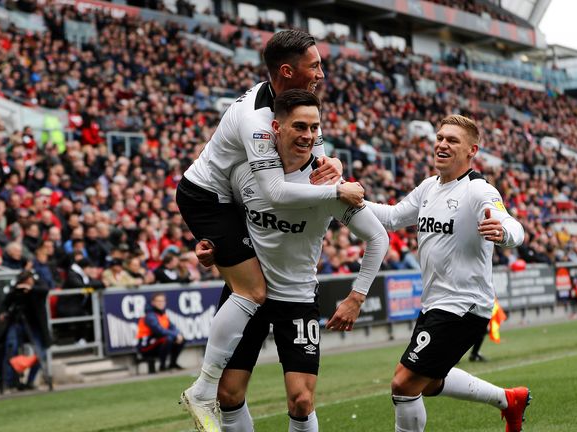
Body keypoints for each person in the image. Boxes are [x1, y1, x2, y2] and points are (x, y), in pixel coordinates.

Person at [176, 29, 365, 430]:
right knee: (252, 291)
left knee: (298, 396)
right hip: (207, 198)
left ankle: (208, 389)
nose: (322, 73)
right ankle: (203, 389)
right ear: (286, 70)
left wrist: (334, 171)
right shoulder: (258, 121)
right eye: (314, 65)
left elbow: (319, 163)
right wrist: (338, 189)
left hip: (233, 207)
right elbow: (276, 192)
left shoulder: (292, 110)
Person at [198, 89, 388, 432]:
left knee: (301, 400)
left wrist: (357, 297)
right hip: (247, 295)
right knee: (227, 394)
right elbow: (232, 223)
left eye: (314, 128)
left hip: (297, 300)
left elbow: (377, 237)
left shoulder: (330, 186)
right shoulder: (245, 173)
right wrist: (212, 247)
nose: (308, 136)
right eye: (299, 127)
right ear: (276, 128)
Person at [364, 115, 531, 432]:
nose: (442, 144)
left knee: (403, 384)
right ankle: (509, 400)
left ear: (472, 150)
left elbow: (513, 224)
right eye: (440, 137)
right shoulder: (429, 186)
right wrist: (347, 196)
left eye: (452, 140)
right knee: (427, 382)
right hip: (435, 305)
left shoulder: (477, 190)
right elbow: (392, 217)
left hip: (463, 306)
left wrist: (504, 232)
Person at [0, 269, 51, 391]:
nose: (28, 283)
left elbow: (45, 290)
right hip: (18, 322)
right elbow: (6, 303)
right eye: (25, 281)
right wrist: (3, 312)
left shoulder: (38, 287)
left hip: (36, 326)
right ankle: (8, 383)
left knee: (40, 353)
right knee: (10, 349)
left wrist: (31, 289)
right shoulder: (16, 291)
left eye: (29, 280)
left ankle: (30, 381)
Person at [136, 293, 184, 373]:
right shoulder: (150, 315)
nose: (161, 303)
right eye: (158, 301)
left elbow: (172, 327)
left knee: (181, 338)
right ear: (153, 302)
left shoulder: (162, 314)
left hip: (156, 342)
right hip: (145, 345)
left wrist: (178, 334)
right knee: (168, 339)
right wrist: (175, 335)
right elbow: (159, 331)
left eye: (162, 301)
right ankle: (162, 365)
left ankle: (172, 363)